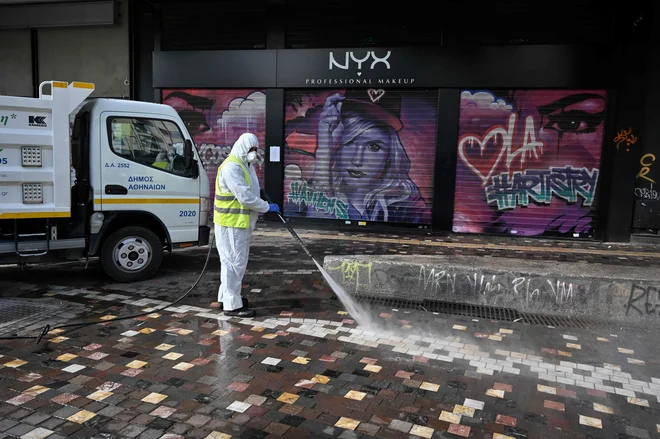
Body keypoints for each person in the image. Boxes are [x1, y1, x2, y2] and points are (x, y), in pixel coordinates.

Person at [211, 133, 280, 317]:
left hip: (237, 223)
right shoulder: (232, 167)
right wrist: (266, 207)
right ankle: (233, 306)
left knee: (231, 263)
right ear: (242, 147)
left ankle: (225, 298)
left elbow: (249, 188)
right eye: (251, 149)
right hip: (231, 223)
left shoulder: (245, 164)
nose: (253, 153)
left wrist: (261, 193)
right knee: (234, 263)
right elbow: (244, 196)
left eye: (255, 149)